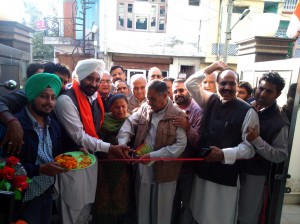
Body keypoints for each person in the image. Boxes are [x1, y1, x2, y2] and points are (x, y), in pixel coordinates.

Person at [54, 58, 130, 224]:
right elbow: (79, 137)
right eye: (90, 79)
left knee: (87, 208)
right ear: (80, 77)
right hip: (71, 163)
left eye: (97, 80)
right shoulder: (65, 101)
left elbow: (96, 129)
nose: (94, 84)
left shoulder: (93, 97)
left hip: (91, 160)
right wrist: (110, 148)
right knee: (72, 210)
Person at [184, 61, 259, 224]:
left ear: (237, 86)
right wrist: (213, 67)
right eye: (223, 83)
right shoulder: (209, 100)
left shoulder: (247, 111)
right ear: (217, 85)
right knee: (199, 214)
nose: (227, 87)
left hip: (226, 178)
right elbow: (190, 83)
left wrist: (224, 154)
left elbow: (250, 149)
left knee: (220, 218)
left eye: (232, 83)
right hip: (203, 172)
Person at [117, 80, 187, 224]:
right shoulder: (145, 108)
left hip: (166, 172)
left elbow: (180, 145)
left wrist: (154, 156)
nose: (149, 102)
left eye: (153, 99)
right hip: (143, 167)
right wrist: (122, 143)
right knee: (142, 211)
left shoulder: (177, 114)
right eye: (148, 98)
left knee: (161, 214)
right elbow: (129, 124)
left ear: (165, 96)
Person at [12, 73, 67, 224]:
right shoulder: (16, 127)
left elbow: (57, 154)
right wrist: (40, 169)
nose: (49, 102)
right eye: (44, 96)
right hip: (23, 198)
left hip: (47, 191)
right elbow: (6, 166)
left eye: (53, 97)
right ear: (32, 96)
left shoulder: (53, 125)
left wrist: (77, 150)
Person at [238, 72, 289, 224]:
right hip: (235, 168)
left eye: (269, 91)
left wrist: (257, 140)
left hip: (255, 175)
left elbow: (280, 155)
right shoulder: (247, 106)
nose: (263, 93)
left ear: (278, 94)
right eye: (261, 88)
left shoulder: (279, 122)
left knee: (247, 215)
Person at [0, 62, 71, 155]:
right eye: (43, 96)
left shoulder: (53, 123)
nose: (63, 86)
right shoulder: (24, 97)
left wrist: (77, 148)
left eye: (53, 97)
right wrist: (12, 122)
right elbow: (10, 164)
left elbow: (62, 145)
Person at [93, 93, 135, 224]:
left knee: (121, 195)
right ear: (110, 108)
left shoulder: (133, 121)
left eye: (123, 106)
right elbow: (95, 142)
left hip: (123, 168)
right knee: (103, 195)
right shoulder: (102, 121)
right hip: (104, 166)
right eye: (117, 107)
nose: (121, 110)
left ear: (128, 106)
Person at [171, 79, 203, 224]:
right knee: (171, 204)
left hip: (188, 169)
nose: (178, 94)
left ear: (189, 91)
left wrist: (187, 127)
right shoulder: (169, 109)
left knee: (188, 206)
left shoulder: (198, 112)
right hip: (169, 167)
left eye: (181, 90)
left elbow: (198, 143)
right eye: (175, 91)